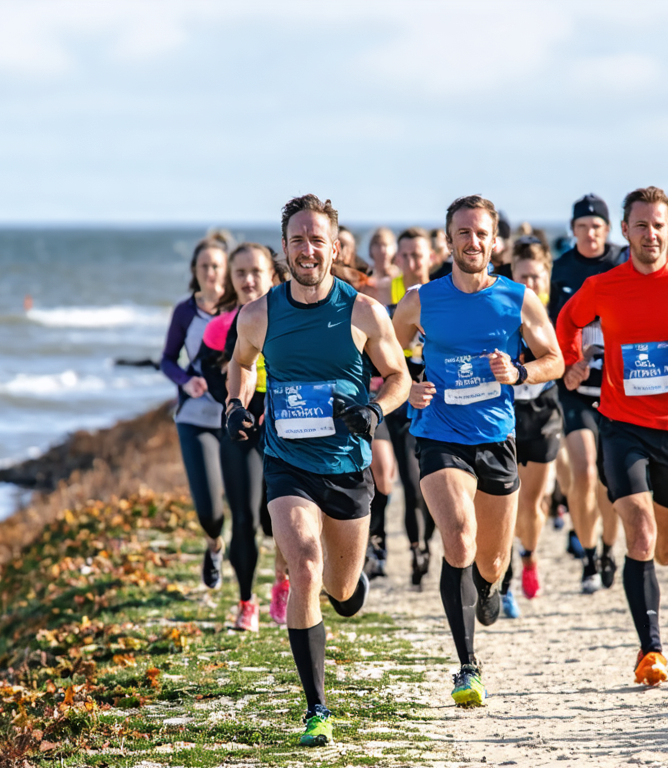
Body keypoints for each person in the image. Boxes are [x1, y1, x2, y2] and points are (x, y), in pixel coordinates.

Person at [226, 194, 410, 746]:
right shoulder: (259, 313)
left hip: (348, 468)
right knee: (303, 565)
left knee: (342, 590)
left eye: (317, 239)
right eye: (298, 240)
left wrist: (375, 409)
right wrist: (236, 405)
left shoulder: (363, 312)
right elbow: (240, 365)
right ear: (284, 249)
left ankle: (353, 589)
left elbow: (398, 376)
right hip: (287, 462)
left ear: (335, 247)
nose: (308, 250)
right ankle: (316, 708)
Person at [556, 186, 668, 686]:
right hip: (619, 424)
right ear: (626, 231)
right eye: (640, 225)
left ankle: (652, 594)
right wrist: (572, 363)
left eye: (658, 225)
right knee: (639, 531)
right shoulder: (604, 285)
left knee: (666, 549)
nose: (650, 234)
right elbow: (567, 321)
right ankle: (650, 651)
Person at [392, 195, 564, 707]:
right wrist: (411, 384)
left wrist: (520, 372)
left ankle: (489, 589)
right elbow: (384, 356)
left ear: (496, 242)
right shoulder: (421, 300)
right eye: (462, 233)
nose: (472, 242)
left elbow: (554, 359)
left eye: (481, 233)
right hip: (438, 433)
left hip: (495, 438)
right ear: (448, 240)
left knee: (490, 560)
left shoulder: (517, 299)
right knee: (459, 538)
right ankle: (467, 666)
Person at [199, 243, 284, 632]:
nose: (249, 280)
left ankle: (284, 584)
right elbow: (209, 371)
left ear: (272, 275)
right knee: (245, 518)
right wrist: (234, 406)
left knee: (278, 519)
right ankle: (247, 602)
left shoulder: (290, 317)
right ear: (231, 280)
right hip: (242, 425)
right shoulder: (221, 325)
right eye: (240, 274)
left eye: (256, 272)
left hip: (289, 421)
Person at [549, 194, 627, 593]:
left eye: (597, 226)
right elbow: (548, 329)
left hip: (617, 389)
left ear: (608, 229)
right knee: (582, 471)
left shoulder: (623, 262)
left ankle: (610, 548)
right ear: (573, 230)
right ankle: (589, 552)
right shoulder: (561, 269)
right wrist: (567, 365)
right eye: (582, 226)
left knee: (609, 481)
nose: (590, 233)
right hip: (575, 388)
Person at [498, 237, 564, 619]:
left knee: (534, 502)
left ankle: (529, 556)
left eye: (537, 277)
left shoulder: (554, 313)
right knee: (507, 501)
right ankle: (504, 581)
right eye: (523, 277)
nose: (531, 284)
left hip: (543, 410)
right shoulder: (504, 308)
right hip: (505, 410)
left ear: (547, 276)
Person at [161, 238, 230, 589]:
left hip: (236, 415)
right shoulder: (185, 312)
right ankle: (215, 545)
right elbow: (167, 360)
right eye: (204, 266)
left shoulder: (241, 310)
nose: (211, 272)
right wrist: (186, 382)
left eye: (217, 265)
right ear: (195, 272)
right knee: (209, 509)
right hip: (194, 415)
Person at [386, 227, 438, 590]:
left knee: (433, 478)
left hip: (439, 398)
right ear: (396, 259)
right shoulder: (385, 299)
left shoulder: (443, 296)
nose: (412, 262)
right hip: (403, 395)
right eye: (405, 255)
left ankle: (430, 537)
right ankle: (417, 548)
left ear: (431, 258)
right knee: (409, 480)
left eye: (418, 255)